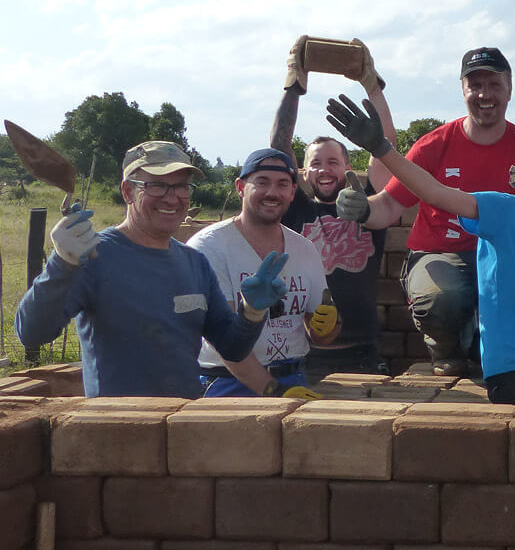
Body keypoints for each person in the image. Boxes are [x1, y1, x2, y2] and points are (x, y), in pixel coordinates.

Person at [326, 95, 515, 405]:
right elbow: (436, 193)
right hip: (512, 373)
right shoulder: (502, 208)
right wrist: (383, 150)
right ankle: (455, 348)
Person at [336, 46, 515, 376]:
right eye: (475, 85)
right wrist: (362, 209)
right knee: (445, 296)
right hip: (443, 255)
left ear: (510, 88)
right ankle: (447, 347)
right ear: (463, 90)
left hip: (505, 258)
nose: (485, 94)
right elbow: (389, 206)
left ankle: (488, 338)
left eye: (494, 84)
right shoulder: (435, 144)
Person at [14, 141, 286, 397]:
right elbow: (32, 333)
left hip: (181, 426)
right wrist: (62, 264)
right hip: (111, 430)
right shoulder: (93, 256)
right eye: (156, 185)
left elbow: (232, 348)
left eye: (182, 186)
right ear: (128, 191)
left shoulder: (195, 263)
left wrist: (251, 312)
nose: (173, 198)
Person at [272, 35, 398, 378]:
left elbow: (385, 147)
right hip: (305, 353)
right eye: (315, 163)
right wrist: (294, 84)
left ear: (347, 168)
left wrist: (372, 86)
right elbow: (279, 145)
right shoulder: (296, 209)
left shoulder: (367, 204)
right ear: (303, 172)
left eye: (332, 162)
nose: (324, 170)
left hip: (364, 352)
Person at [188, 148, 338, 397]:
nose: (272, 193)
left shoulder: (304, 249)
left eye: (282, 184)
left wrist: (329, 326)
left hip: (294, 376)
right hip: (229, 384)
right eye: (262, 182)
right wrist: (272, 390)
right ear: (240, 187)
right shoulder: (209, 247)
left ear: (292, 193)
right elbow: (222, 342)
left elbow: (320, 333)